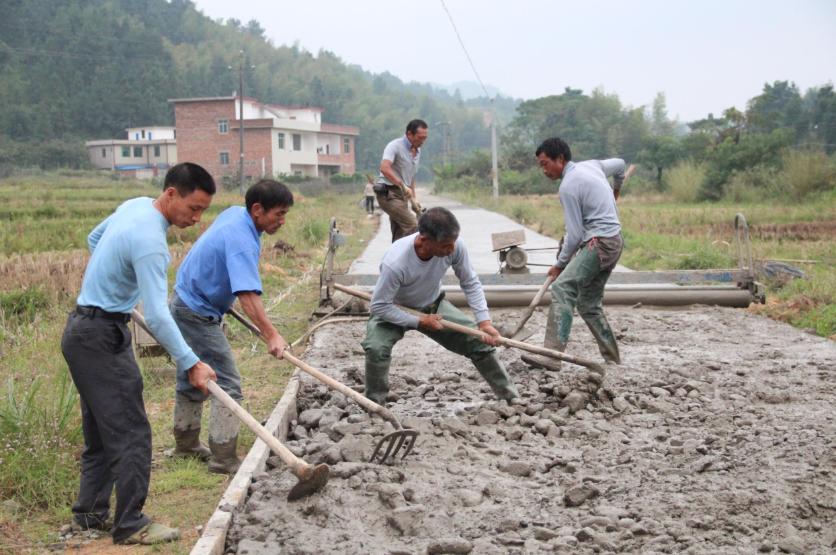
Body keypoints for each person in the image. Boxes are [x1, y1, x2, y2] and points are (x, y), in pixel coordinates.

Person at [60, 163, 218, 545]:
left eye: (202, 212)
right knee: (131, 431)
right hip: (100, 337)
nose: (196, 219)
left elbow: (94, 239)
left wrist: (114, 288)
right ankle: (130, 524)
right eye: (193, 208)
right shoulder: (152, 243)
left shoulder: (134, 206)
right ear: (171, 194)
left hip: (82, 330)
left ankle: (89, 514)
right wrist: (192, 363)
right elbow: (159, 316)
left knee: (100, 429)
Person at [170, 179, 292, 474]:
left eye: (285, 214)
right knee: (227, 382)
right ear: (257, 209)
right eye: (278, 214)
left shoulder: (237, 215)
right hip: (196, 311)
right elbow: (248, 295)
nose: (282, 221)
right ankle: (223, 458)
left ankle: (186, 446)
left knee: (192, 375)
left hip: (189, 299)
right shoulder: (241, 239)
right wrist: (271, 335)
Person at [361, 207, 519, 405]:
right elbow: (379, 307)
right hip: (394, 309)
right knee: (376, 348)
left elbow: (470, 282)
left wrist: (484, 321)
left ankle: (511, 398)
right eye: (445, 245)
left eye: (452, 243)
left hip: (433, 305)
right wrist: (419, 321)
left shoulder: (455, 246)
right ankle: (375, 406)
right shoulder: (396, 262)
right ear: (424, 240)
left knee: (479, 342)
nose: (451, 250)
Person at [525, 137, 625, 371]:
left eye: (545, 163)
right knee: (588, 303)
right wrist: (617, 189)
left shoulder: (568, 186)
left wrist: (559, 265)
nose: (544, 170)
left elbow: (575, 234)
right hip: (615, 242)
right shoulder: (593, 166)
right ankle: (613, 358)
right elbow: (620, 164)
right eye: (541, 165)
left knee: (562, 288)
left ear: (560, 159)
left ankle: (552, 355)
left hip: (598, 243)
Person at [375, 119, 428, 241]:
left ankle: (395, 259)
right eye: (420, 138)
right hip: (389, 194)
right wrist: (402, 184)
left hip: (402, 196)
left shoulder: (418, 151)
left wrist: (414, 198)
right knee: (413, 226)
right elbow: (384, 168)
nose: (423, 141)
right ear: (409, 134)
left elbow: (411, 176)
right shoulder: (394, 146)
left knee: (399, 234)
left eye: (425, 138)